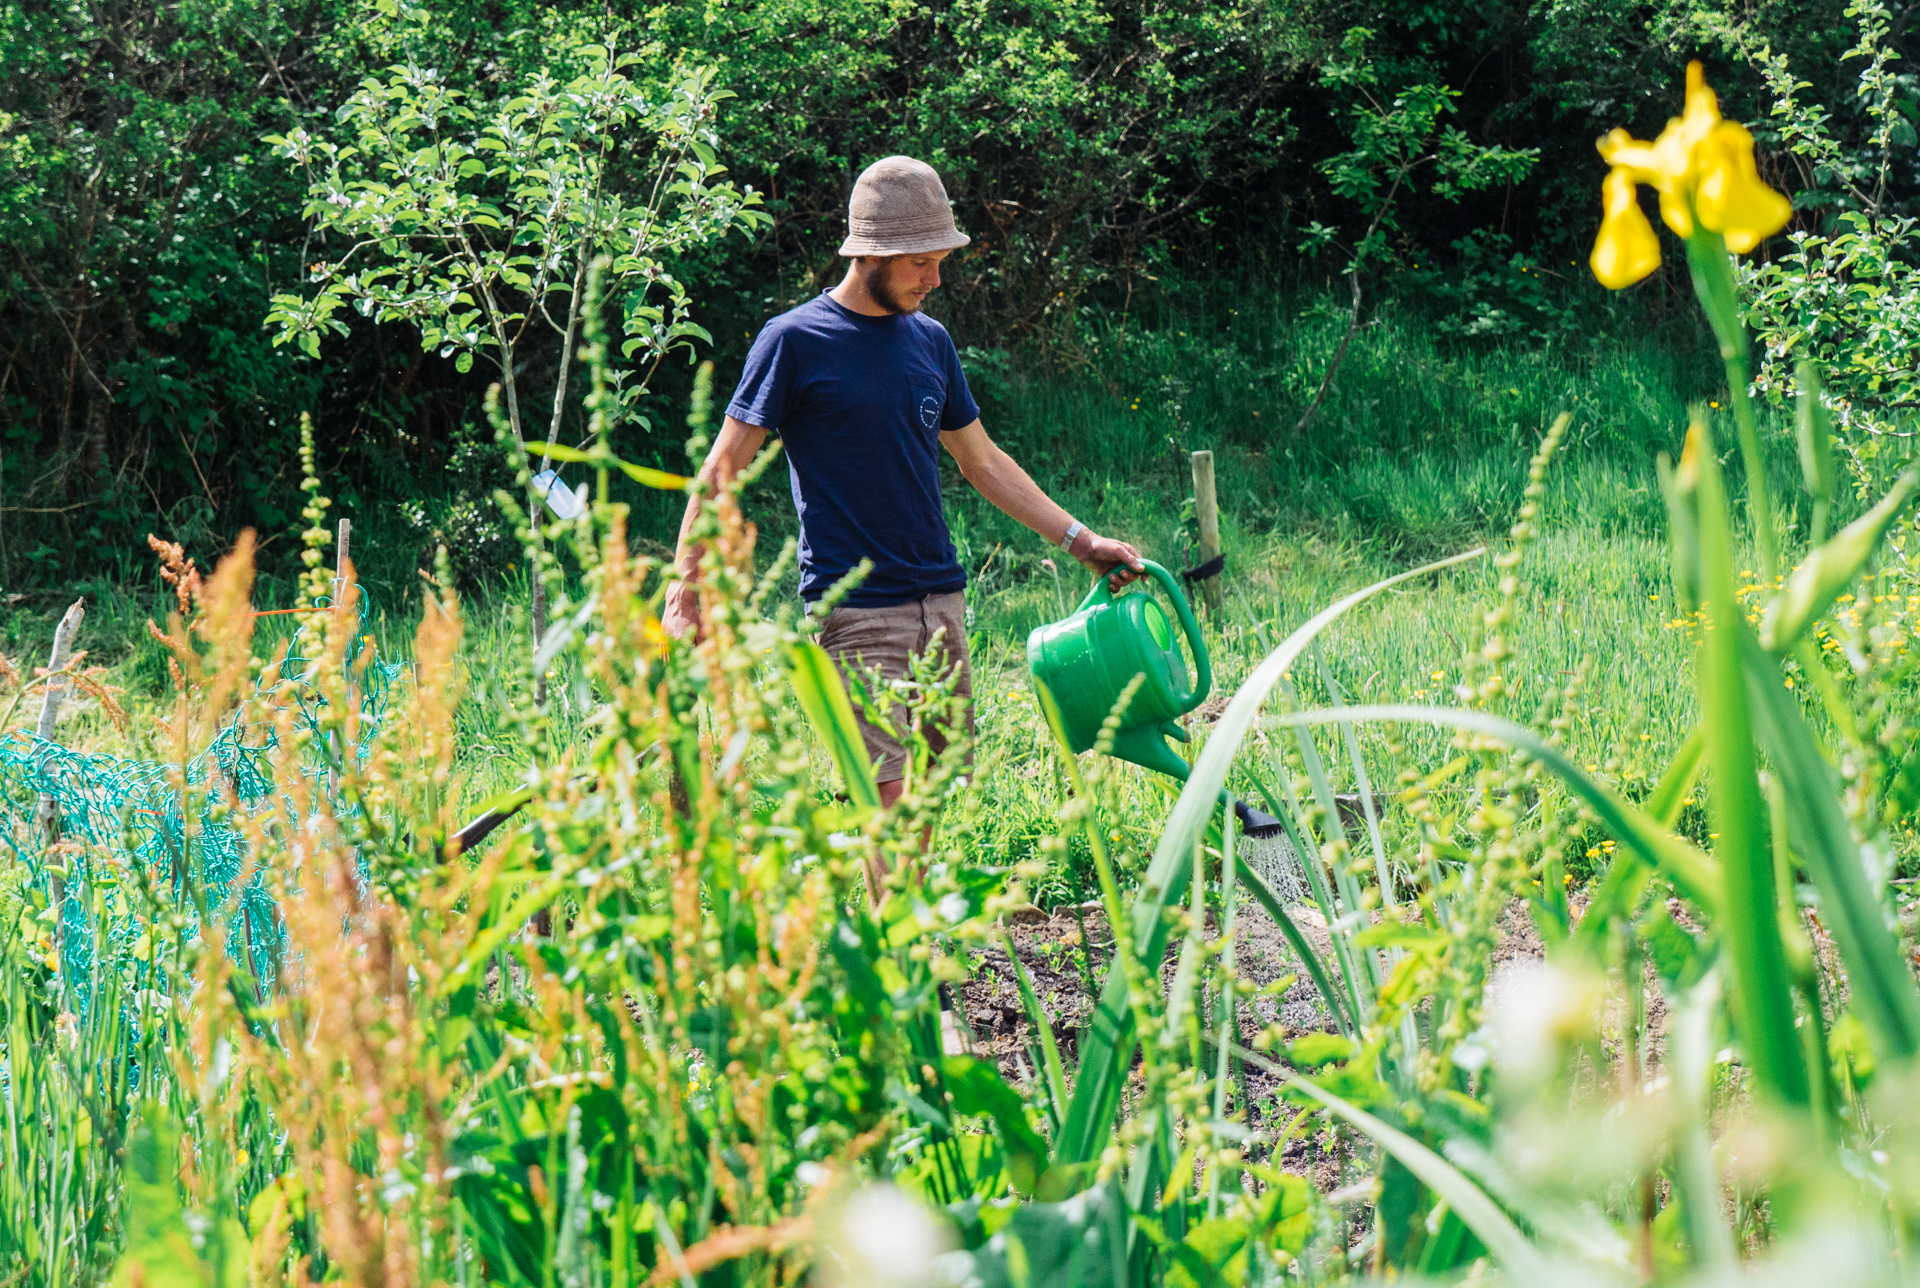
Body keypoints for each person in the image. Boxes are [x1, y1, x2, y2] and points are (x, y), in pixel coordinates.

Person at [663, 154, 1144, 829]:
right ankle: (901, 938)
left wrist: (1080, 540)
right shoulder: (795, 341)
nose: (935, 277)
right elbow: (723, 468)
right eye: (921, 261)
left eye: (940, 258)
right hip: (855, 610)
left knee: (936, 794)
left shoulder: (930, 342)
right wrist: (687, 588)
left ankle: (914, 933)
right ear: (870, 257)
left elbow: (982, 462)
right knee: (886, 807)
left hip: (939, 601)